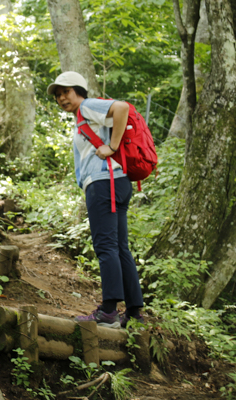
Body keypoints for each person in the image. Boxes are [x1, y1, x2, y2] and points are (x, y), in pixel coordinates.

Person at [47, 71, 144, 329]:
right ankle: (134, 312)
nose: (61, 98)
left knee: (106, 246)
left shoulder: (88, 106)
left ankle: (109, 312)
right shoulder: (83, 116)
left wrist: (111, 146)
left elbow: (122, 108)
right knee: (120, 246)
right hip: (116, 182)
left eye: (66, 91)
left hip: (104, 183)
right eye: (58, 95)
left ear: (79, 90)